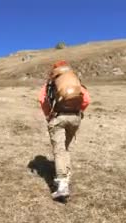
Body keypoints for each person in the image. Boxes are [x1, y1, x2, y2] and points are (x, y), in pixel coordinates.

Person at [38, 61, 90, 201]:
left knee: (59, 150)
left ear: (54, 70)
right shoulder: (75, 81)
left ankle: (62, 185)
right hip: (75, 118)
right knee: (65, 148)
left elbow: (42, 99)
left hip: (58, 118)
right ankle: (65, 176)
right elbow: (86, 99)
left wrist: (49, 116)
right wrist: (77, 112)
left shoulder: (52, 81)